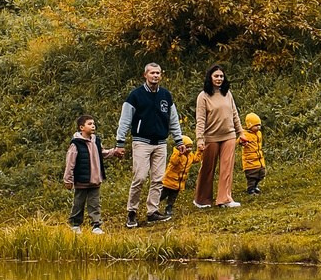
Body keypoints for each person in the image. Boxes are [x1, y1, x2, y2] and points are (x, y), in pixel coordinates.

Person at [114, 62, 181, 227]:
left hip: (160, 143)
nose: (155, 76)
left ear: (161, 75)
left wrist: (179, 140)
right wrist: (120, 142)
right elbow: (125, 120)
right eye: (152, 73)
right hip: (141, 142)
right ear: (145, 75)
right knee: (140, 177)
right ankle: (132, 212)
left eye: (158, 73)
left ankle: (152, 211)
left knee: (158, 179)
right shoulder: (135, 96)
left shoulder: (166, 95)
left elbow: (173, 120)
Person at [193, 67, 243, 209]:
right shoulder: (203, 96)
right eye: (216, 76)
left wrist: (241, 132)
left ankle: (224, 199)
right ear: (210, 77)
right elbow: (201, 119)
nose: (219, 78)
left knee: (227, 167)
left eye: (221, 76)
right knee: (207, 168)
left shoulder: (227, 94)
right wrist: (200, 139)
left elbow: (234, 114)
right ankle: (202, 199)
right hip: (211, 136)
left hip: (229, 135)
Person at [63, 116, 107, 233]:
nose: (93, 126)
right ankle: (75, 224)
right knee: (78, 203)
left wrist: (114, 152)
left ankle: (96, 225)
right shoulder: (76, 144)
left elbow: (102, 153)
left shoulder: (96, 141)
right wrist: (68, 180)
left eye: (93, 123)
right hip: (81, 180)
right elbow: (70, 163)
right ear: (81, 127)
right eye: (89, 124)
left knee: (95, 204)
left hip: (95, 179)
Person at [239, 112, 266, 195]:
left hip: (259, 159)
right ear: (250, 125)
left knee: (261, 173)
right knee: (252, 176)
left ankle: (255, 186)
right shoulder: (245, 134)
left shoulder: (259, 134)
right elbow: (239, 140)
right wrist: (242, 142)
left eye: (259, 125)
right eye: (256, 125)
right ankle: (251, 189)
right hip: (249, 161)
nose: (258, 127)